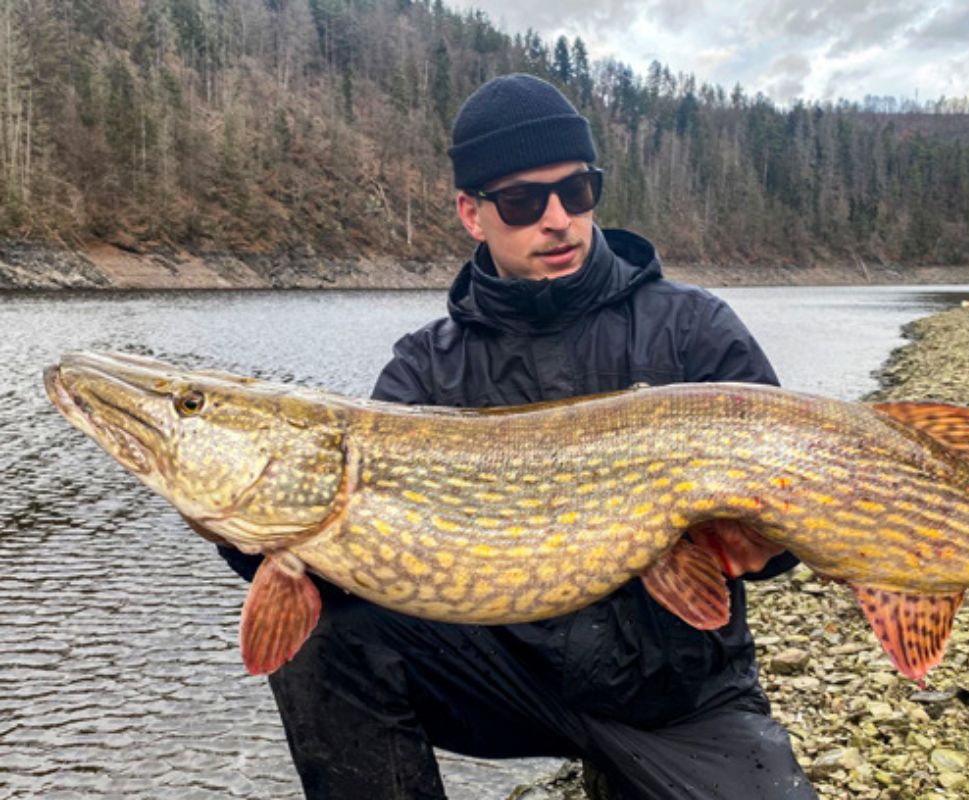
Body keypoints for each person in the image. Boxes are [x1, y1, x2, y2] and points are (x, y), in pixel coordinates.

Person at [222, 73, 817, 800]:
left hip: (679, 697)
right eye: (523, 201)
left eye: (578, 189)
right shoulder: (425, 368)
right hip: (505, 679)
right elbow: (338, 563)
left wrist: (764, 541)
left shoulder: (694, 330)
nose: (558, 218)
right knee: (328, 639)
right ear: (474, 214)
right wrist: (247, 529)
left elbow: (783, 548)